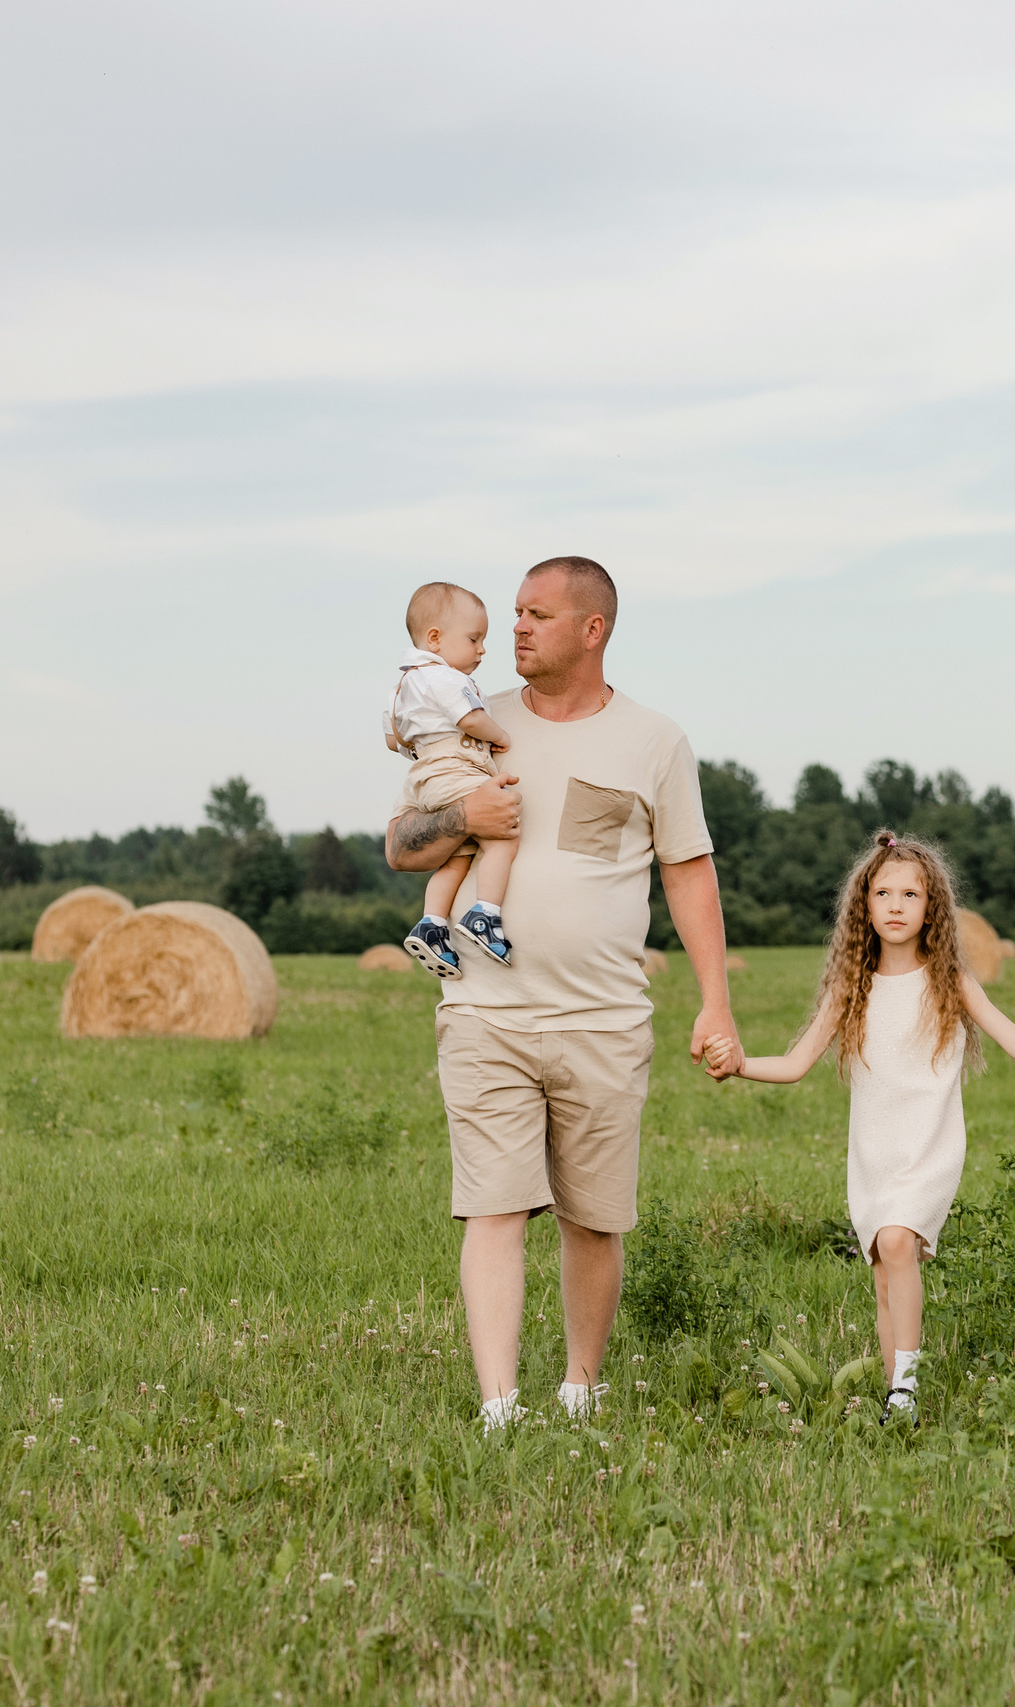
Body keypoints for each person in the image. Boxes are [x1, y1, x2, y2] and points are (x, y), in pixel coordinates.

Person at [385, 555, 743, 1432]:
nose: (514, 628)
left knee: (593, 1217)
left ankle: (581, 1389)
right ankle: (500, 1405)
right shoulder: (469, 720)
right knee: (493, 1208)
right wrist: (464, 820)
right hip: (483, 1013)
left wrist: (716, 1000)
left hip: (605, 1019)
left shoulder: (654, 740)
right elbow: (401, 844)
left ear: (593, 629)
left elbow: (689, 874)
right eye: (511, 612)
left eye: (537, 614)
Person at [703, 832, 1015, 1421]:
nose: (896, 905)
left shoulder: (949, 981)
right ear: (864, 905)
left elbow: (1007, 1031)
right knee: (884, 1273)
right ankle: (897, 1399)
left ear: (932, 909)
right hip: (872, 1152)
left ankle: (906, 1390)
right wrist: (740, 1064)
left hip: (929, 1142)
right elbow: (795, 1064)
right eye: (883, 893)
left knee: (898, 1244)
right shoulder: (854, 985)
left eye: (911, 894)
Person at [387, 581, 521, 975]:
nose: (482, 649)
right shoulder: (446, 678)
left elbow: (394, 738)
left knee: (457, 857)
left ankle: (432, 924)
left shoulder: (403, 685)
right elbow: (469, 718)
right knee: (503, 837)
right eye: (475, 638)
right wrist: (500, 736)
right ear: (435, 639)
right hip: (454, 766)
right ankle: (486, 915)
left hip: (424, 773)